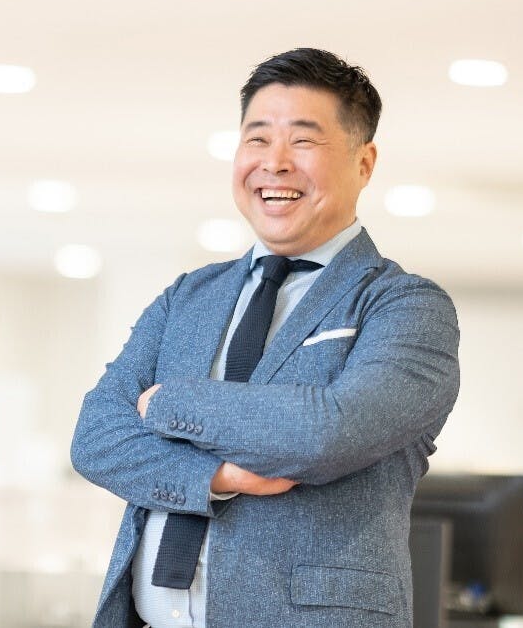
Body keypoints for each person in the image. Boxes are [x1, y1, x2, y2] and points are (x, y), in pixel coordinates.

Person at [71, 47, 460, 628]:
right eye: (257, 139)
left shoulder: (405, 306)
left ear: (364, 162)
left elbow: (326, 433)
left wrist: (167, 403)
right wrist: (219, 477)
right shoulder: (188, 296)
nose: (274, 163)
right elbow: (96, 437)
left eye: (303, 140)